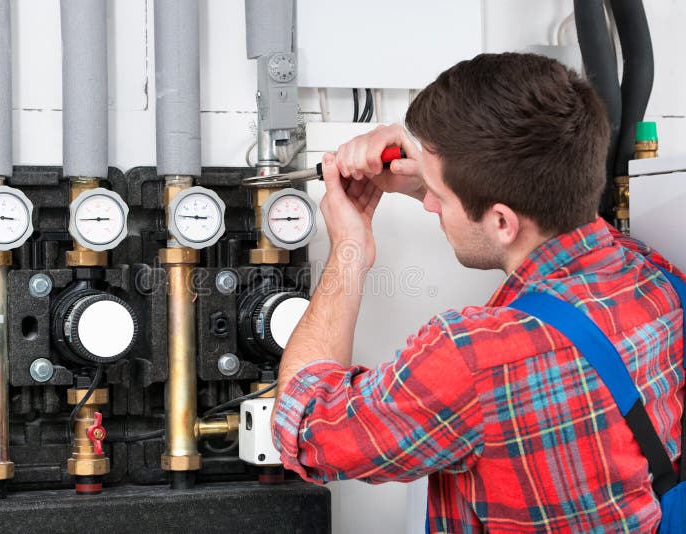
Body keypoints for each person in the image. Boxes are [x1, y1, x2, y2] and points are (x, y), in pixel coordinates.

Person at [271, 52, 685, 532]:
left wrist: (349, 249)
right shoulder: (651, 273)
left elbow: (306, 426)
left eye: (438, 198)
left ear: (503, 221)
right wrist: (439, 170)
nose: (428, 205)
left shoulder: (474, 358)